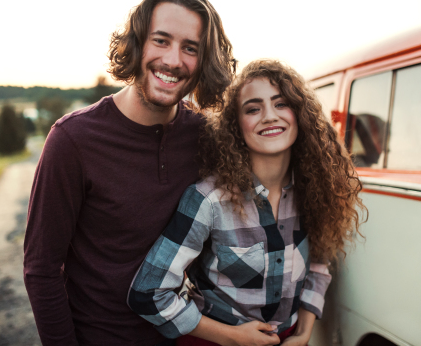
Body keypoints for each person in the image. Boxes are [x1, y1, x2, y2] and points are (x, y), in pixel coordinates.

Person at [23, 0, 236, 346]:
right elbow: (41, 269)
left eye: (190, 48)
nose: (172, 60)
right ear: (138, 44)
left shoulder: (205, 137)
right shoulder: (73, 140)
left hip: (185, 335)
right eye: (161, 40)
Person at [128, 59, 365, 345]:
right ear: (235, 126)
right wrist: (232, 337)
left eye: (281, 104)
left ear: (300, 114)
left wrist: (304, 332)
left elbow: (318, 263)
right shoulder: (209, 200)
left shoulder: (314, 190)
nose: (269, 116)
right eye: (253, 109)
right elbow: (148, 292)